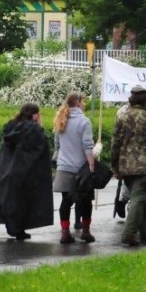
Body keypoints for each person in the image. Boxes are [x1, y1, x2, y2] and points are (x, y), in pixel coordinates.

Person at [0, 103, 53, 241]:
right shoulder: (34, 130)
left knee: (10, 202)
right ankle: (18, 230)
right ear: (34, 115)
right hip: (24, 171)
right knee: (23, 202)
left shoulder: (10, 126)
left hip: (6, 170)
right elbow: (39, 151)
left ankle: (14, 228)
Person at [111, 85, 146, 246]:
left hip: (126, 165)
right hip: (145, 165)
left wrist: (114, 165)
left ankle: (145, 233)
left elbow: (115, 143)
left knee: (143, 198)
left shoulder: (122, 117)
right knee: (139, 198)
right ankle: (128, 233)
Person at [52, 92, 95, 244]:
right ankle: (85, 231)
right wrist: (91, 164)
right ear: (78, 102)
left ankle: (65, 233)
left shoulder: (60, 119)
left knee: (66, 201)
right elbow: (87, 145)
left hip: (64, 166)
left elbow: (57, 145)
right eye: (84, 101)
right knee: (86, 201)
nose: (85, 104)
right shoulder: (84, 121)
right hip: (81, 167)